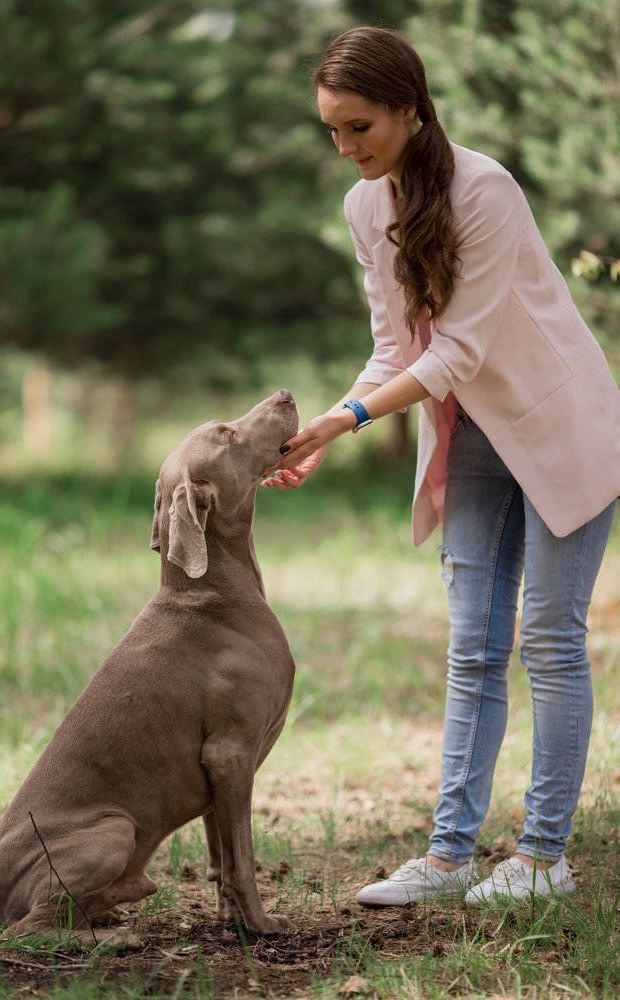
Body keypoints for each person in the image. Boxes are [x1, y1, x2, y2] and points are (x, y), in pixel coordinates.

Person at [262, 26, 620, 906]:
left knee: (549, 640)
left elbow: (455, 351)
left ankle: (542, 857)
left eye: (360, 127)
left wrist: (348, 421)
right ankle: (449, 857)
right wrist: (323, 426)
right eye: (332, 132)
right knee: (472, 645)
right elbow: (396, 348)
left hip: (560, 426)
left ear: (410, 109)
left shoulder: (485, 191)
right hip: (471, 438)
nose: (346, 149)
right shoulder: (365, 209)